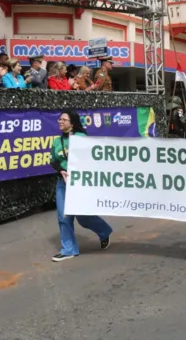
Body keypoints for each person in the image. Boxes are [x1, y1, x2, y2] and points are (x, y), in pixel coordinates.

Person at [50, 109, 114, 262]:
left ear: (72, 124)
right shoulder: (56, 142)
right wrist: (61, 170)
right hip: (63, 183)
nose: (60, 121)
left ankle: (104, 231)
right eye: (59, 119)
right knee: (63, 217)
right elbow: (53, 161)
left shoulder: (81, 138)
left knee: (83, 218)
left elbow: (89, 157)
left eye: (63, 120)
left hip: (80, 184)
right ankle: (68, 249)